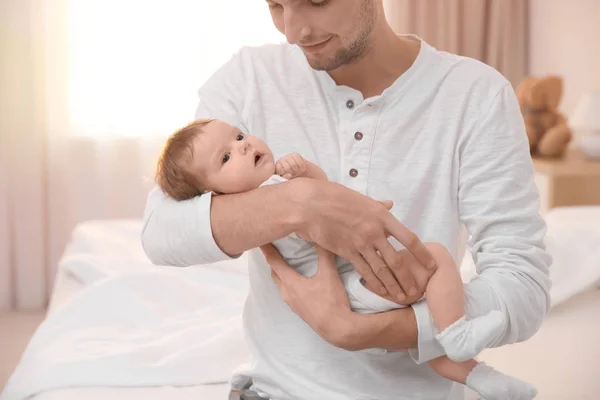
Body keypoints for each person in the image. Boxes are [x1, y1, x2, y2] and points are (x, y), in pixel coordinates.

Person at [141, 0, 552, 399]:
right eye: (275, 5)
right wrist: (301, 203)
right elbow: (160, 231)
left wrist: (364, 331)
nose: (292, 32)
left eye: (316, 2)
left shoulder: (475, 96)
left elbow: (523, 284)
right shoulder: (249, 77)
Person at [153, 117, 538, 400]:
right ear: (213, 197)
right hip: (351, 291)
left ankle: (478, 375)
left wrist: (306, 176)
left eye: (239, 135)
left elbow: (324, 201)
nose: (242, 145)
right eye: (225, 158)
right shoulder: (258, 213)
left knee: (424, 340)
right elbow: (319, 215)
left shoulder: (267, 194)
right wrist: (304, 195)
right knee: (435, 256)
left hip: (355, 290)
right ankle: (457, 332)